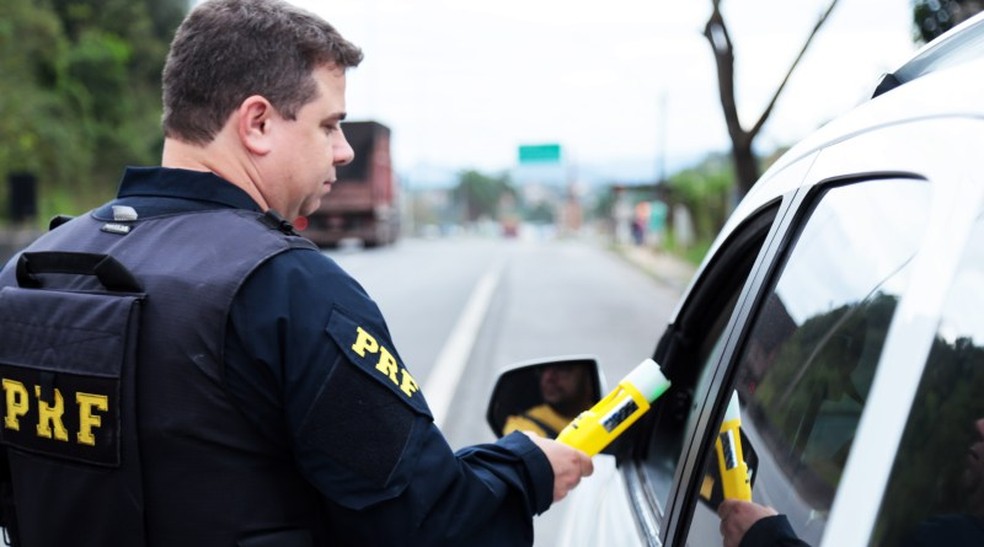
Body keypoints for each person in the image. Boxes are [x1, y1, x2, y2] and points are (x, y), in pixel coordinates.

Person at [0, 0, 592, 545]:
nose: (345, 151)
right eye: (328, 125)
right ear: (257, 123)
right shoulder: (284, 288)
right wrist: (527, 469)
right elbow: (426, 523)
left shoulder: (33, 271)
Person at [503, 363, 595, 438]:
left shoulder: (603, 414)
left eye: (562, 368)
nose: (548, 378)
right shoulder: (521, 426)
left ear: (588, 377)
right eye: (542, 370)